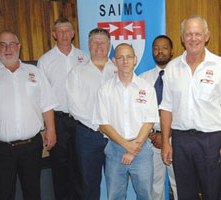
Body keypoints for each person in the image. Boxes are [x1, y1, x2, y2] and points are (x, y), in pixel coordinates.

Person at [160, 15, 221, 199]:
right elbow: (166, 108)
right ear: (182, 37)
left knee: (213, 193)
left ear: (207, 36)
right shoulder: (172, 68)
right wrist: (166, 142)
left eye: (197, 34)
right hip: (181, 140)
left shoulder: (220, 65)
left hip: (212, 140)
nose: (193, 38)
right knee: (185, 193)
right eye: (188, 34)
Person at [0, 30, 58, 200]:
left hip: (31, 146)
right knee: (3, 194)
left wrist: (51, 131)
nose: (8, 48)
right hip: (1, 149)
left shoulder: (35, 72)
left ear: (19, 47)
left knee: (32, 192)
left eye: (12, 44)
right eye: (3, 44)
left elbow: (47, 103)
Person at [92, 43, 159, 199]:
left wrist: (133, 147)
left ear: (135, 59)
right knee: (115, 195)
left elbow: (149, 121)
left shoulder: (147, 88)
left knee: (146, 195)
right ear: (114, 60)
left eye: (129, 57)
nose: (125, 61)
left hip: (141, 150)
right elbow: (103, 124)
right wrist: (126, 145)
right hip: (115, 150)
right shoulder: (105, 90)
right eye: (120, 57)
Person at [37, 17, 89, 199]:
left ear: (73, 33)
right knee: (60, 168)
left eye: (68, 30)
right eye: (60, 31)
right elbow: (43, 96)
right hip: (58, 120)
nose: (65, 34)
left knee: (81, 167)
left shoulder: (84, 57)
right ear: (54, 34)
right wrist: (49, 128)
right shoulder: (45, 61)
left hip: (82, 120)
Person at [66, 28, 117, 200]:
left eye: (103, 42)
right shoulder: (77, 72)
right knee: (89, 183)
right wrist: (100, 126)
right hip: (88, 135)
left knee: (116, 183)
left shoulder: (119, 71)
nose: (99, 46)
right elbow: (75, 107)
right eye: (95, 42)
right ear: (89, 45)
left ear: (109, 46)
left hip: (115, 135)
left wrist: (111, 129)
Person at [139, 35, 178, 200]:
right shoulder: (143, 79)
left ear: (172, 51)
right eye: (156, 48)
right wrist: (152, 135)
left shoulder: (180, 77)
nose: (160, 51)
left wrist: (166, 135)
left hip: (176, 138)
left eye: (164, 47)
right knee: (155, 185)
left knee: (179, 183)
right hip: (151, 138)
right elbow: (138, 112)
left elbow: (184, 110)